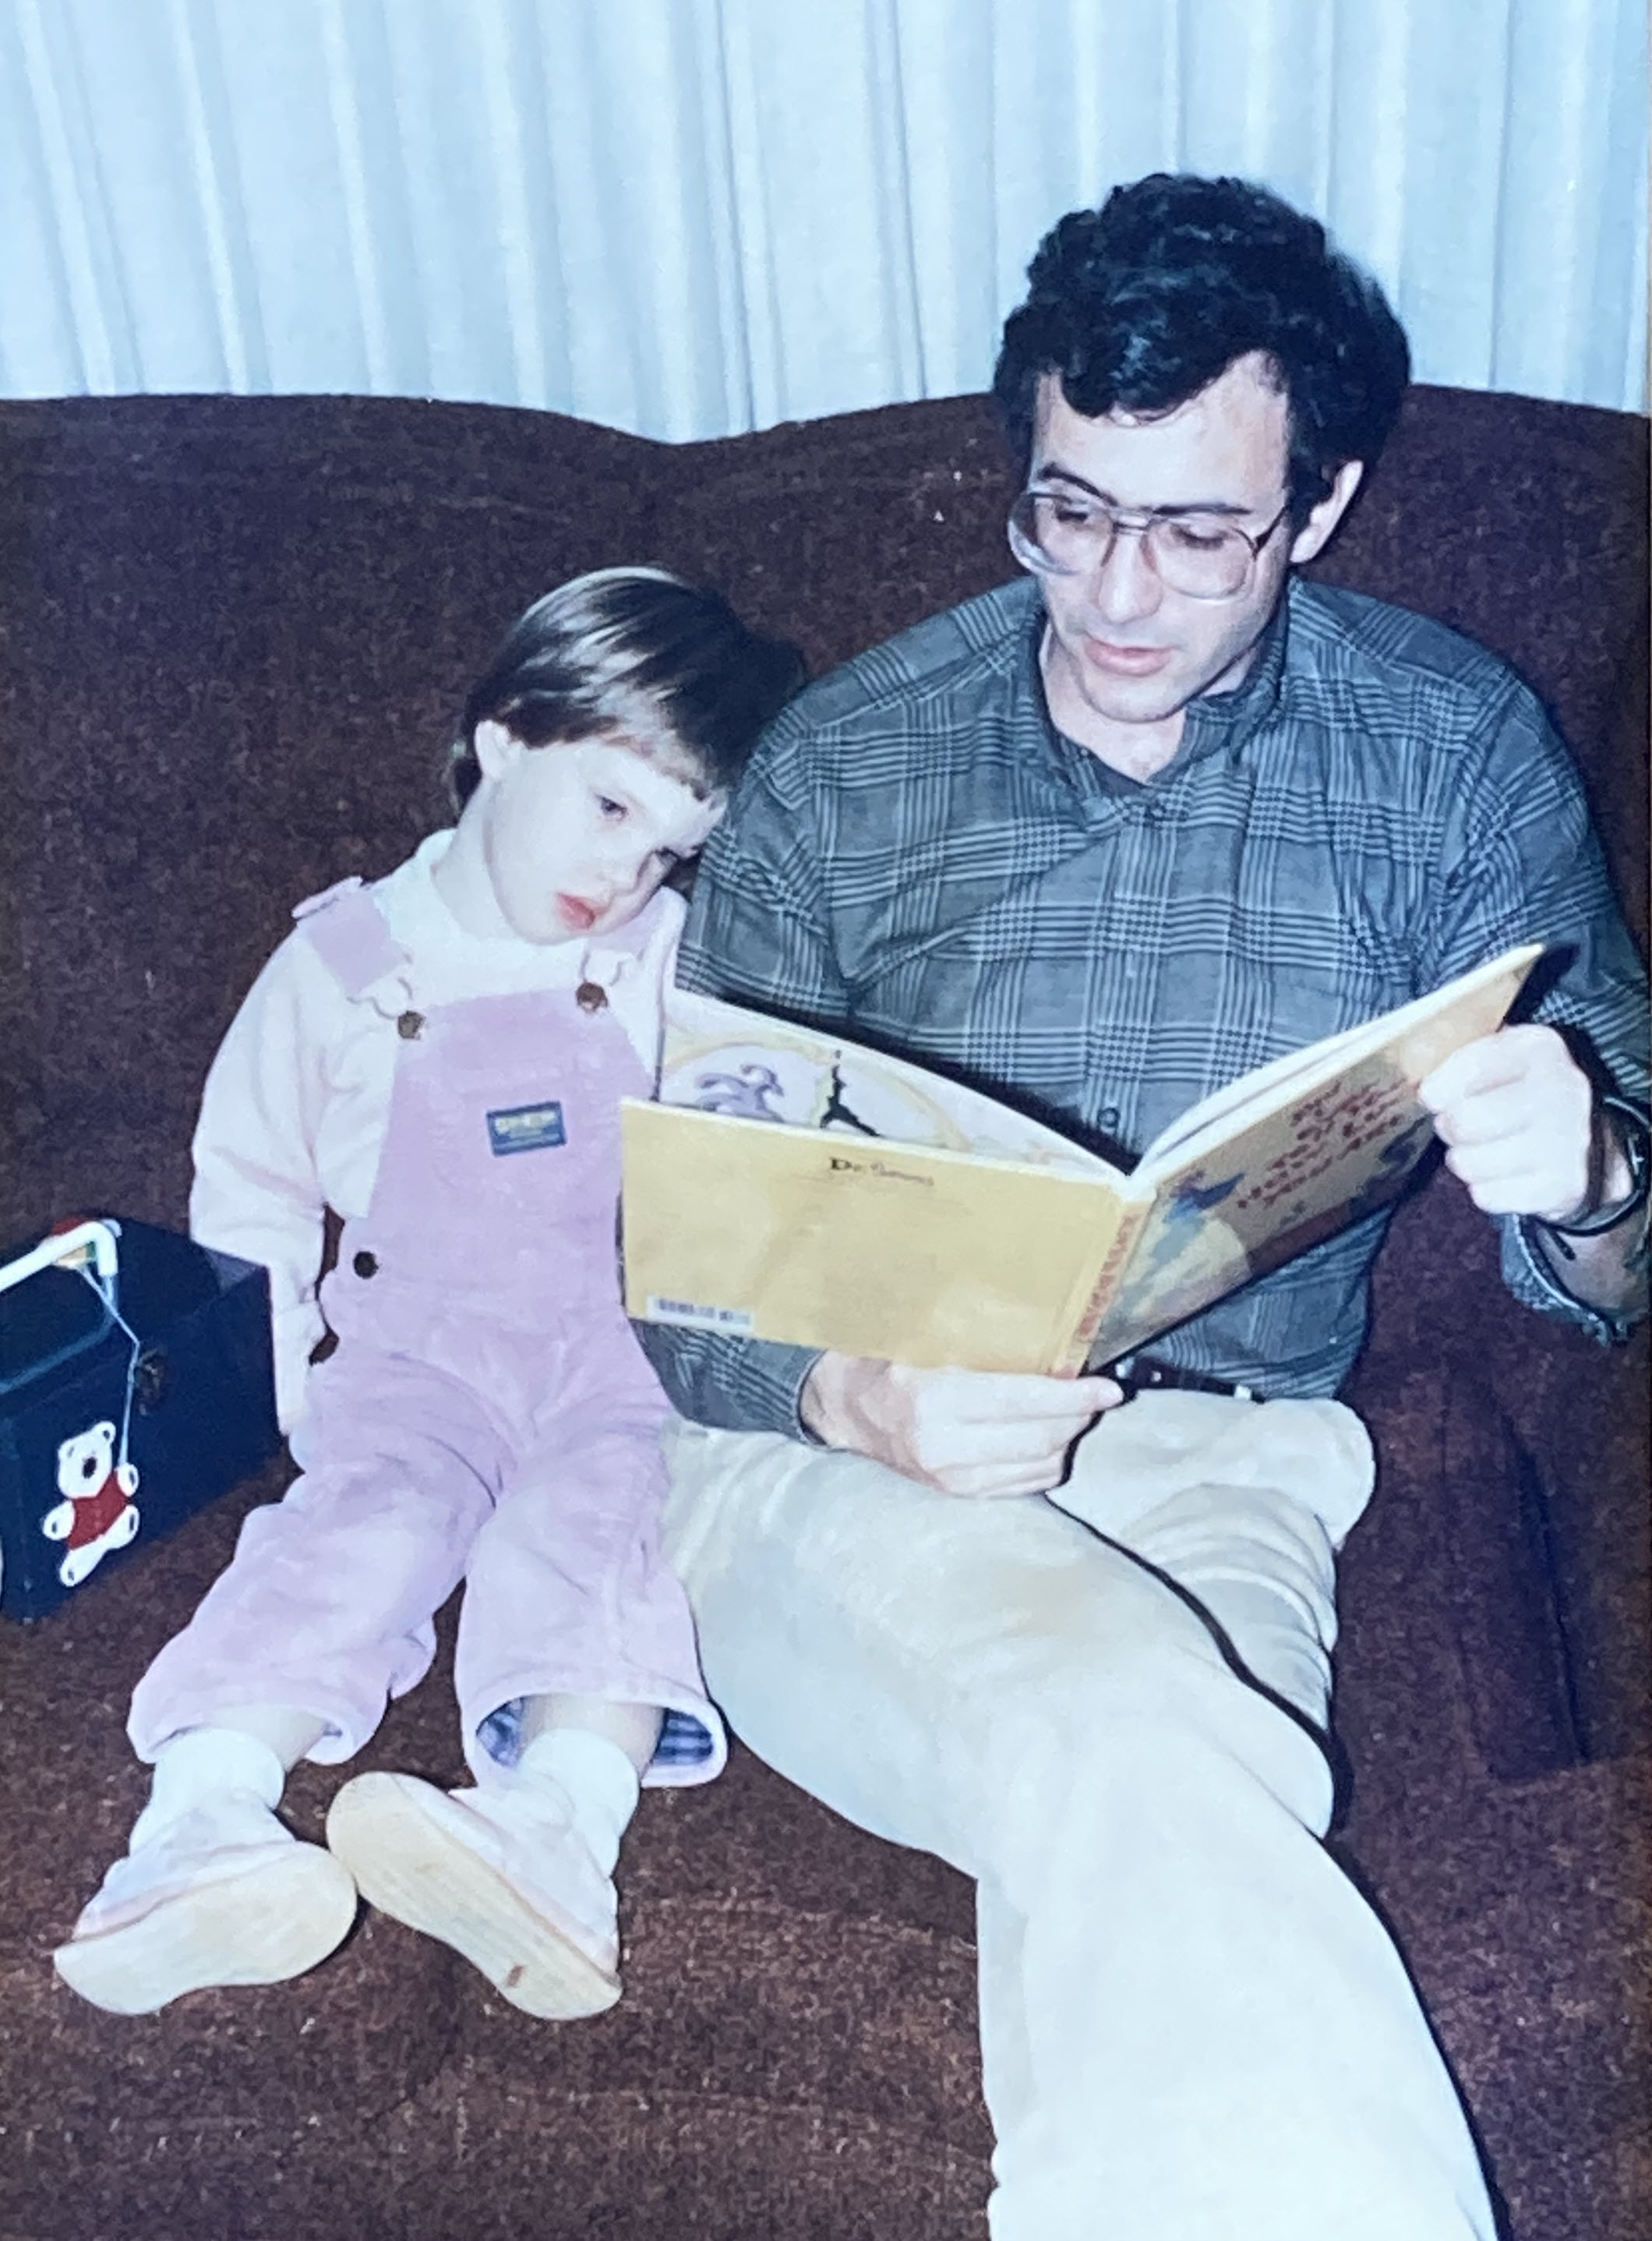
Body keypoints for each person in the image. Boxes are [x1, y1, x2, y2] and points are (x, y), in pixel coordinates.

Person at [634, 177, 1650, 2239]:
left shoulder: (1453, 759)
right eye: (1068, 510)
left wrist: (1600, 1167)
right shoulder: (845, 767)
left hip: (1226, 1468)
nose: (1114, 595)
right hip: (842, 1453)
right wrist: (847, 1396)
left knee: (1138, 1777)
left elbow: (1625, 1249)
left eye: (1199, 534)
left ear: (1324, 506)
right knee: (1143, 1732)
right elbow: (679, 1253)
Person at [53, 567, 804, 2022]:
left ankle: (554, 1843)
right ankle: (196, 1830)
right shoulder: (341, 961)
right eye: (609, 807)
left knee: (606, 1525)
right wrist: (278, 1395)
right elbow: (253, 1188)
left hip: (624, 1348)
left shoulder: (664, 958)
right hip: (417, 1360)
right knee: (361, 1523)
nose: (629, 872)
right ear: (508, 736)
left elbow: (747, 1134)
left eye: (672, 847)